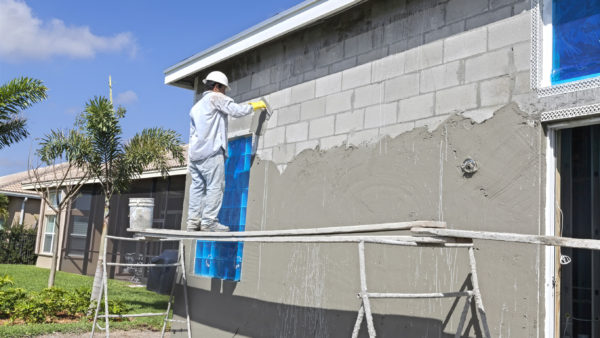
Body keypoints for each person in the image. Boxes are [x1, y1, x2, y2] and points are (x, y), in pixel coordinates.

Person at [187, 70, 266, 232]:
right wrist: (254, 106)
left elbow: (192, 133)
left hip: (195, 155)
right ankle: (208, 222)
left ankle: (193, 222)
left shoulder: (195, 108)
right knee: (215, 186)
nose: (224, 92)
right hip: (211, 152)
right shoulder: (215, 98)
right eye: (224, 89)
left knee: (197, 187)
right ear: (216, 87)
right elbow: (235, 110)